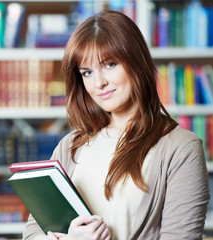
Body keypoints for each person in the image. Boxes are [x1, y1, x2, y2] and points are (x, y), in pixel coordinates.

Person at [23, 11, 210, 240]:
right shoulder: (71, 145)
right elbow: (33, 233)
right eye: (87, 72)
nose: (99, 82)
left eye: (110, 64)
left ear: (136, 62)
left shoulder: (181, 147)